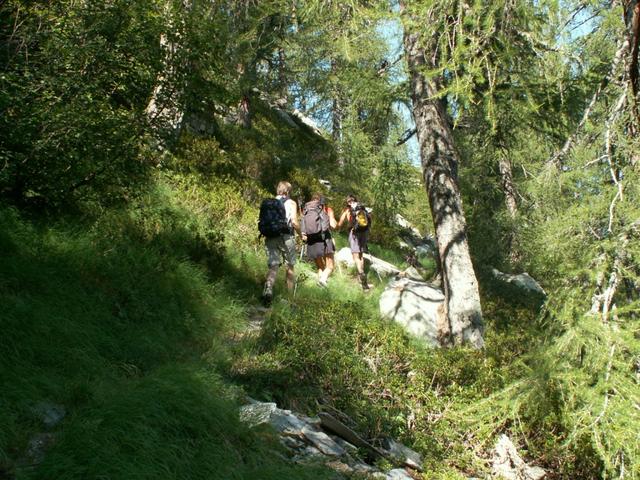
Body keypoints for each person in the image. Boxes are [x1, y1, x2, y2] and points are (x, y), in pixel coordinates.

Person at [262, 181, 300, 306]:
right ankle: (289, 298)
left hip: (271, 235)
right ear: (288, 191)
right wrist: (302, 234)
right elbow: (294, 222)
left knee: (273, 265)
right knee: (290, 266)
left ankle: (268, 289)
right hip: (286, 237)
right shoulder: (291, 203)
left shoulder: (270, 202)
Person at [301, 193, 337, 287]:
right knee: (330, 266)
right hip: (325, 239)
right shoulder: (326, 209)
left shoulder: (306, 209)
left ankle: (320, 286)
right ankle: (323, 281)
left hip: (312, 240)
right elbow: (333, 225)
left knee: (320, 267)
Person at [337, 195, 371, 291]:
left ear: (347, 202)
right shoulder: (363, 209)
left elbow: (340, 223)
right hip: (364, 233)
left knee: (355, 256)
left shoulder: (347, 210)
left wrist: (336, 227)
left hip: (354, 233)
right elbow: (369, 221)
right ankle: (362, 279)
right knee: (361, 255)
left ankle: (361, 273)